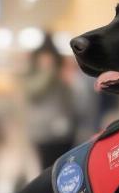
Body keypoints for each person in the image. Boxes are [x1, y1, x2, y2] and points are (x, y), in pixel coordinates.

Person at [21, 35, 77, 170]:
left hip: (64, 132)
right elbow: (34, 92)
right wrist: (48, 70)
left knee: (64, 168)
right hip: (43, 134)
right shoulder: (33, 76)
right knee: (47, 170)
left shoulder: (61, 76)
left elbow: (70, 101)